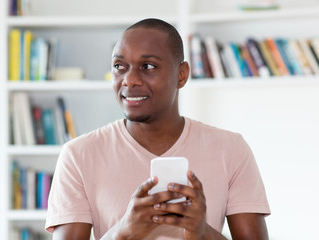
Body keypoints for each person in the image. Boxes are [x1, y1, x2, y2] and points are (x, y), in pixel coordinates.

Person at [45, 18, 270, 239]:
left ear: (181, 75)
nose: (129, 80)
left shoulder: (230, 149)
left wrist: (203, 234)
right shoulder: (78, 155)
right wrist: (123, 232)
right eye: (119, 66)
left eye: (148, 66)